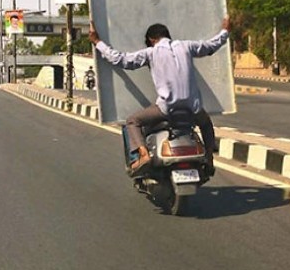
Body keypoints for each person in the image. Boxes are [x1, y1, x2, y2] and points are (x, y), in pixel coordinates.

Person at [88, 16, 230, 174]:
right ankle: (209, 158)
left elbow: (121, 59)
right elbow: (212, 45)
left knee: (132, 122)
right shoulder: (187, 46)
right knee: (205, 124)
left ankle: (142, 155)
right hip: (192, 108)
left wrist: (97, 42)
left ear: (151, 39)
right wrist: (224, 31)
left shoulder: (151, 52)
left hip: (166, 108)